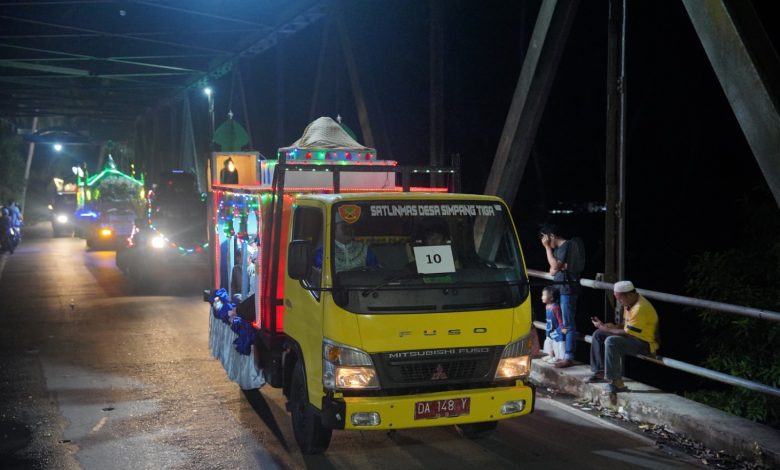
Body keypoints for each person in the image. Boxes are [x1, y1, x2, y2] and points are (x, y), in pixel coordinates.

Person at [587, 280, 660, 394]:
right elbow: (625, 325)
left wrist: (605, 328)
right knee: (598, 334)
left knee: (611, 341)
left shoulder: (640, 308)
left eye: (620, 299)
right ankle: (600, 371)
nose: (619, 302)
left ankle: (617, 383)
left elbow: (627, 333)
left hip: (645, 343)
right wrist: (612, 327)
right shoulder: (630, 303)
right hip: (633, 337)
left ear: (629, 295)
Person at [540, 224, 584, 368]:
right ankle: (560, 354)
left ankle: (568, 357)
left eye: (546, 238)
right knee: (559, 324)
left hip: (567, 289)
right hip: (561, 289)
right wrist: (556, 265)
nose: (545, 242)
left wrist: (547, 248)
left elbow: (554, 266)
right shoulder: (559, 250)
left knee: (567, 324)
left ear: (551, 236)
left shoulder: (566, 246)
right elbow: (552, 270)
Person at [541, 285, 565, 363]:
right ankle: (550, 355)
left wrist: (562, 327)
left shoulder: (555, 307)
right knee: (549, 341)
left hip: (557, 329)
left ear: (551, 298)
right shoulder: (547, 306)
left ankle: (558, 357)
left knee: (557, 343)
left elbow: (559, 318)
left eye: (544, 295)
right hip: (550, 328)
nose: (542, 297)